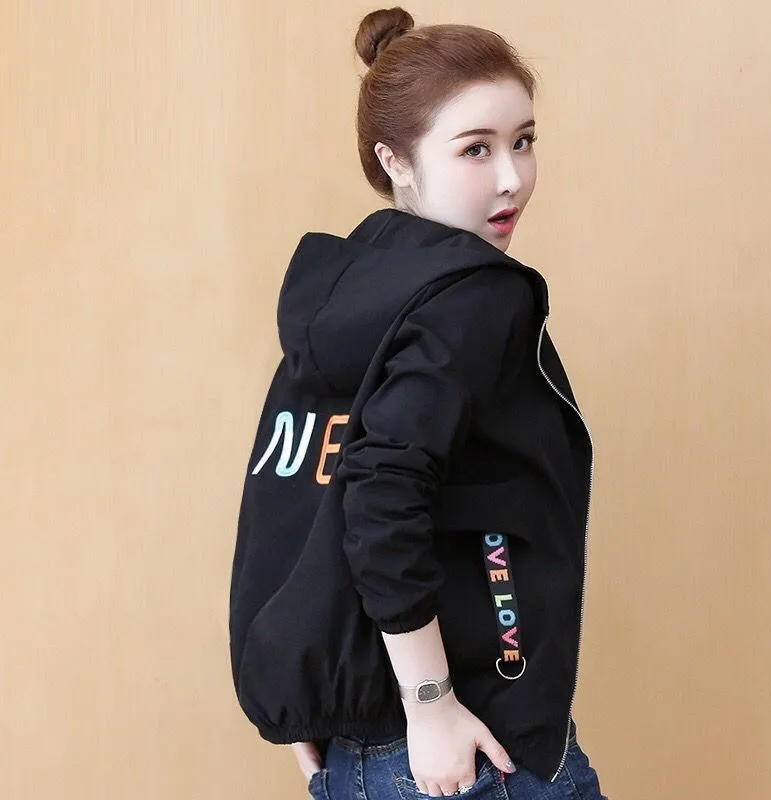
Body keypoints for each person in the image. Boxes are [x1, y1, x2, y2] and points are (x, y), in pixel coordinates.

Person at [228, 7, 609, 799]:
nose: (511, 178)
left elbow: (299, 492)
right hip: (464, 742)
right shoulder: (472, 298)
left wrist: (315, 694)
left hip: (360, 742)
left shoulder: (354, 289)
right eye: (476, 149)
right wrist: (431, 704)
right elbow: (378, 498)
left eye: (524, 141)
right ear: (394, 160)